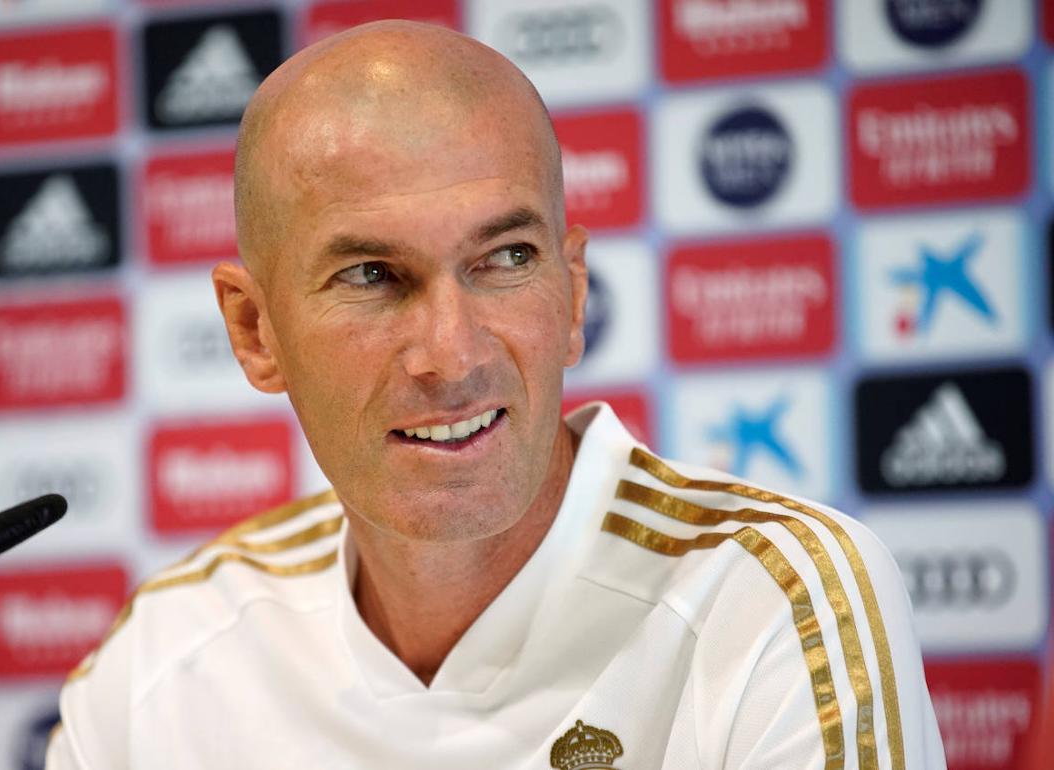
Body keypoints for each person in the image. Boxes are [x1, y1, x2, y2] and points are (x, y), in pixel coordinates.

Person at [48, 21, 945, 769]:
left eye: (506, 258)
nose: (452, 355)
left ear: (574, 293)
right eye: (371, 275)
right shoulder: (163, 660)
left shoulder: (771, 601)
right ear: (255, 330)